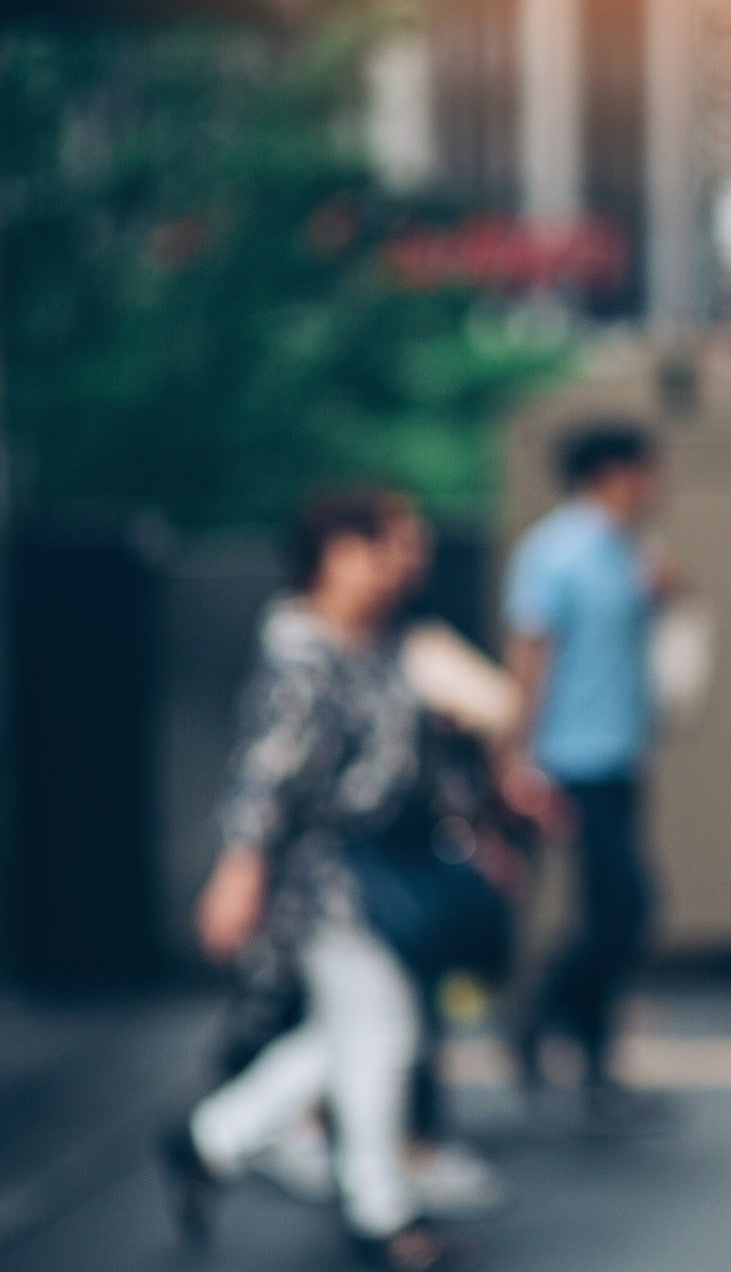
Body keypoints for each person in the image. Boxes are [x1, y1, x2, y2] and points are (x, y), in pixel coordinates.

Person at [161, 490, 475, 1271]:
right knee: (381, 1033)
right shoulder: (303, 651)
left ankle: (213, 1137)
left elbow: (414, 761)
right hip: (329, 878)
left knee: (352, 1034)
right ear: (335, 553)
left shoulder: (378, 643)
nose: (404, 565)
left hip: (380, 867)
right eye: (387, 546)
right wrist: (240, 868)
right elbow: (265, 774)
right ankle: (380, 1209)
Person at [503, 423, 676, 1116]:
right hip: (570, 759)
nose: (655, 487)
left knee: (615, 909)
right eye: (645, 471)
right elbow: (531, 655)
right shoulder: (554, 552)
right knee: (622, 906)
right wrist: (516, 756)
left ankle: (588, 1055)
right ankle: (548, 1017)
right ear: (612, 474)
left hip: (621, 752)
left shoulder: (630, 551)